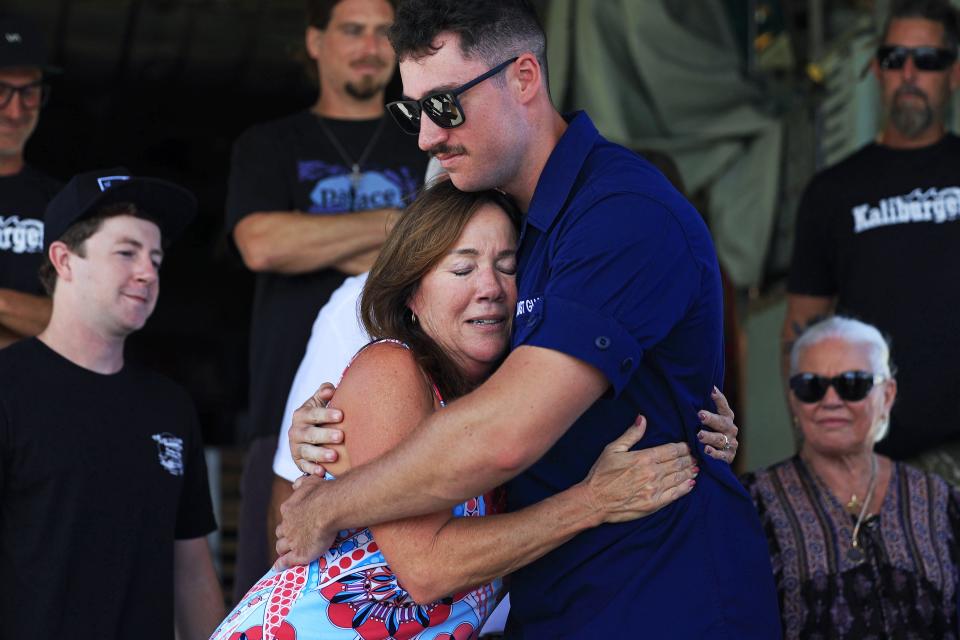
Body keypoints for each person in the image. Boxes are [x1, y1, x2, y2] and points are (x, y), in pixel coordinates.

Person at [277, 2, 781, 637]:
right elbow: (455, 389)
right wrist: (338, 433)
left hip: (660, 599)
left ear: (522, 78)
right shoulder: (516, 226)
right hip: (558, 603)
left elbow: (504, 433)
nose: (427, 136)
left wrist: (334, 503)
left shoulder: (618, 214)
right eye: (412, 112)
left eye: (445, 105)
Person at [212, 179, 700, 640]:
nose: (490, 287)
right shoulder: (392, 367)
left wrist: (704, 428)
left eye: (508, 266)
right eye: (462, 268)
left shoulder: (519, 398)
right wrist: (592, 502)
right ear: (412, 295)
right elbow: (426, 569)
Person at [227, 0, 429, 597]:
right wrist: (400, 226)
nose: (370, 46)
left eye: (381, 33)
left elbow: (452, 252)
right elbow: (261, 245)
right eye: (351, 30)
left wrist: (313, 239)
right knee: (275, 593)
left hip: (412, 404)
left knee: (395, 596)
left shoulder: (426, 136)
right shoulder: (268, 144)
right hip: (287, 409)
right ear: (314, 41)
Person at [0, 168, 225, 639]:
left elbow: (191, 569)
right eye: (126, 252)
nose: (147, 272)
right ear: (64, 260)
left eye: (156, 259)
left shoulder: (170, 407)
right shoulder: (9, 387)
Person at [783, 0, 960, 483]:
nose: (908, 73)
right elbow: (802, 329)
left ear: (954, 72)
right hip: (871, 461)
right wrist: (814, 446)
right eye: (893, 58)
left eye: (927, 60)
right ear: (875, 69)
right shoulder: (832, 191)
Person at [744, 316, 960, 638]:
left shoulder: (942, 502)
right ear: (793, 400)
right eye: (811, 386)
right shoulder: (751, 505)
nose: (831, 401)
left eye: (853, 383)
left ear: (887, 395)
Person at [0, 14, 61, 349]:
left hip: (29, 397)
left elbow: (77, 323)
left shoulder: (63, 201)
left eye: (30, 92)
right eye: (1, 91)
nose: (15, 110)